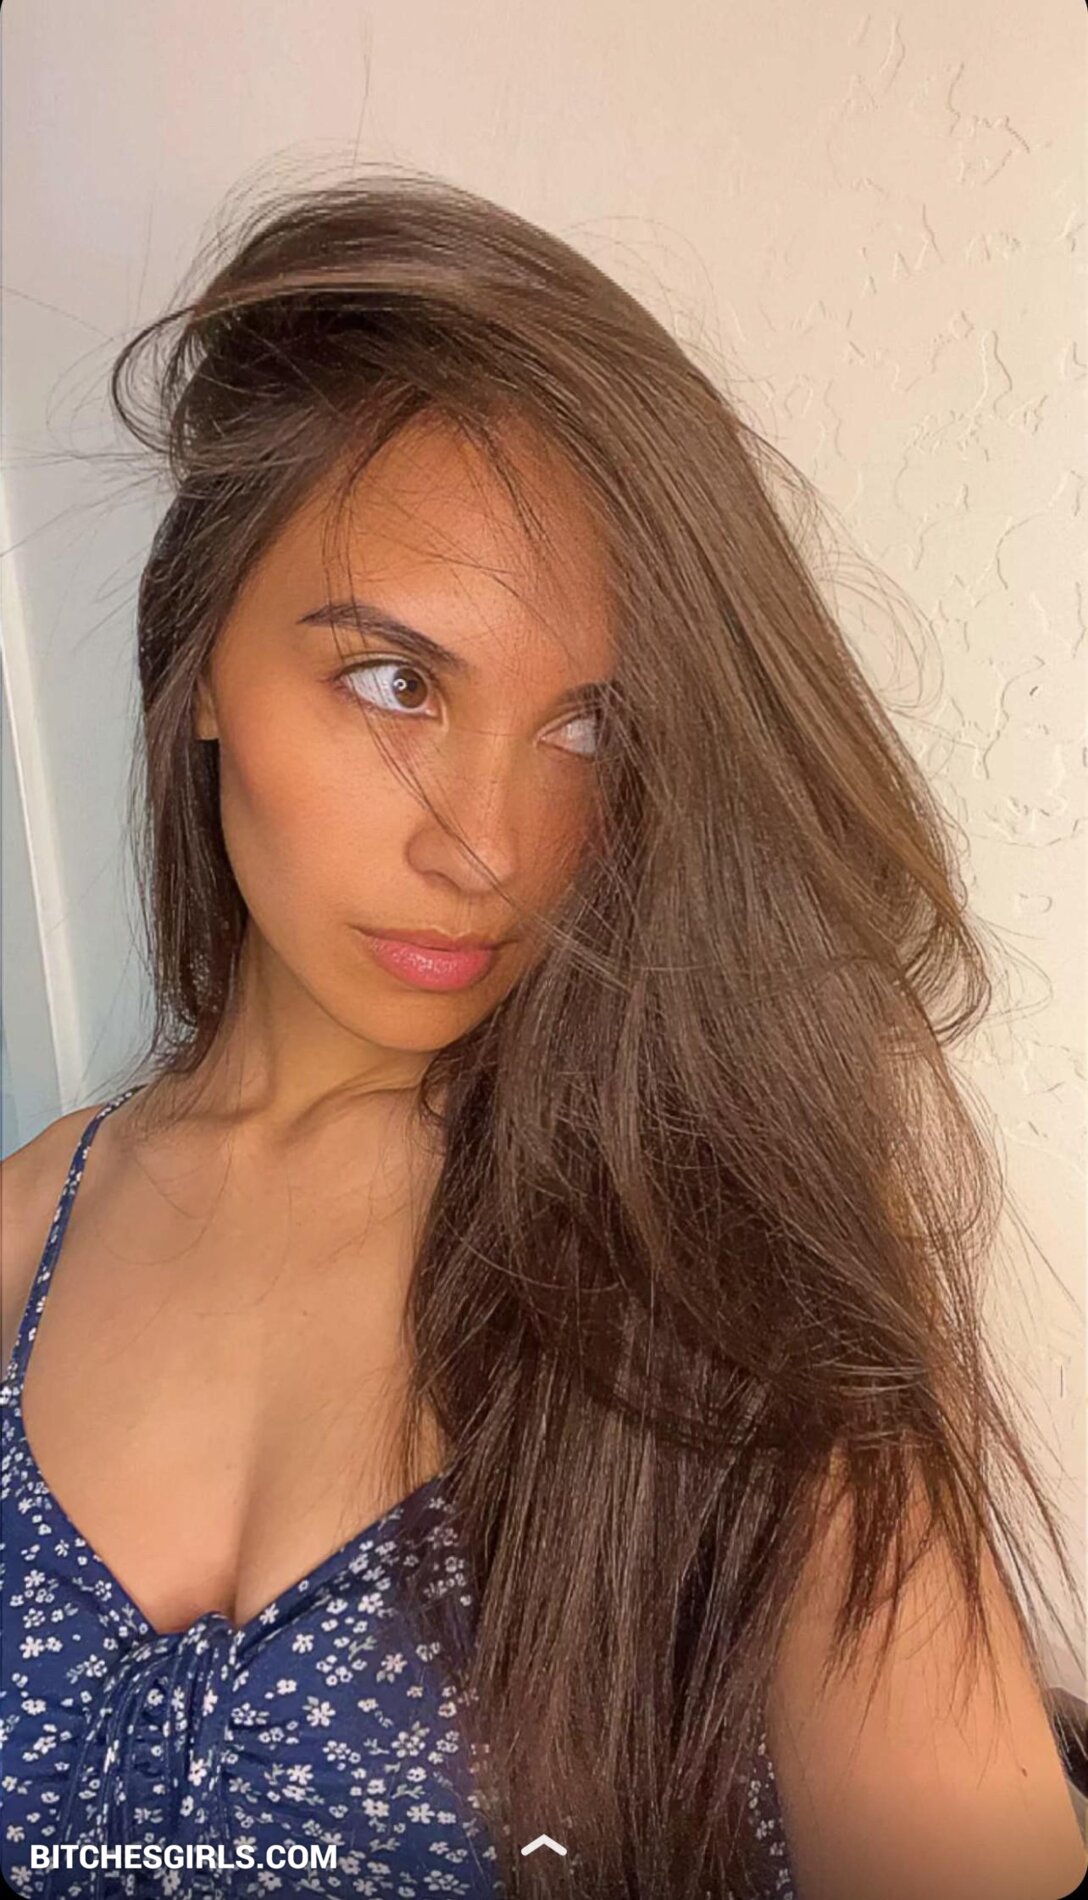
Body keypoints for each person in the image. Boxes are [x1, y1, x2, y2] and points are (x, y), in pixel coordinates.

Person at [1, 172, 1083, 1900]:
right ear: (200, 668)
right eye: (395, 683)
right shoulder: (24, 1233)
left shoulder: (726, 1247)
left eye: (586, 728)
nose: (490, 848)